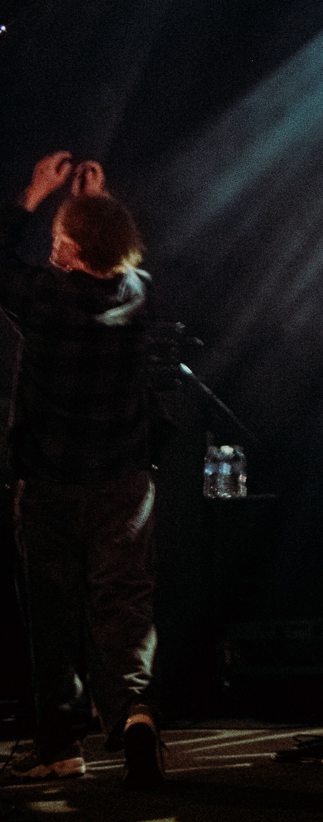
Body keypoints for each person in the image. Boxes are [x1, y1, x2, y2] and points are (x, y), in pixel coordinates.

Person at [0, 152, 165, 790]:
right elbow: (119, 259)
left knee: (53, 613)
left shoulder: (48, 297)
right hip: (124, 481)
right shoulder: (138, 294)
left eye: (58, 240)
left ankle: (60, 745)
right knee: (124, 603)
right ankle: (135, 714)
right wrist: (96, 209)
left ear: (69, 248)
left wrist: (33, 194)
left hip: (50, 483)